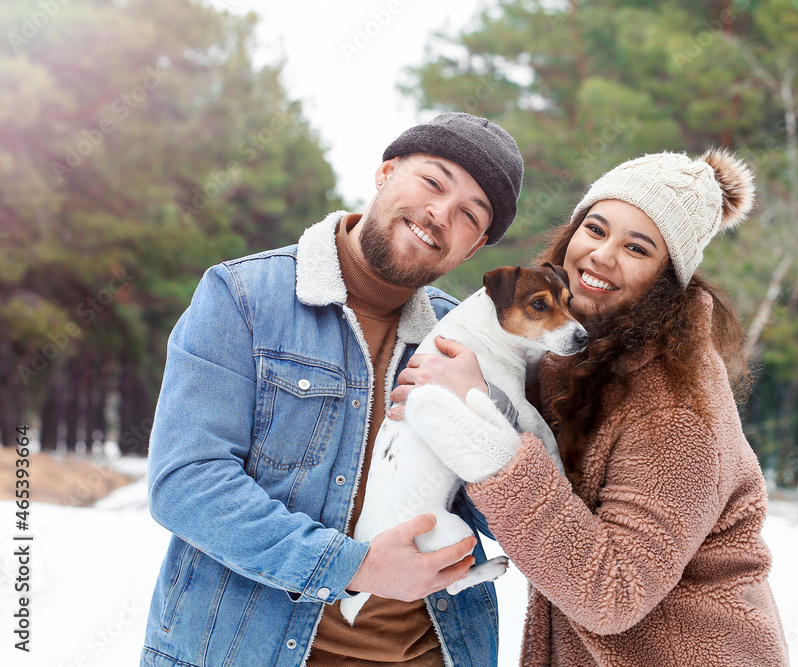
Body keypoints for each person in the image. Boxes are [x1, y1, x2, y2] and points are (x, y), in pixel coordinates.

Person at [141, 112, 524, 667]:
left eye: (469, 214)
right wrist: (353, 568)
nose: (441, 214)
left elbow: (505, 518)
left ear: (474, 247)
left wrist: (490, 418)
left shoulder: (464, 343)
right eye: (433, 182)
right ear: (385, 172)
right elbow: (187, 483)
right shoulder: (242, 297)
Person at [397, 149, 791, 665]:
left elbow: (612, 594)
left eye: (637, 247)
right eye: (597, 229)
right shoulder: (579, 356)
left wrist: (479, 418)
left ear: (667, 279)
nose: (602, 256)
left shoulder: (677, 408)